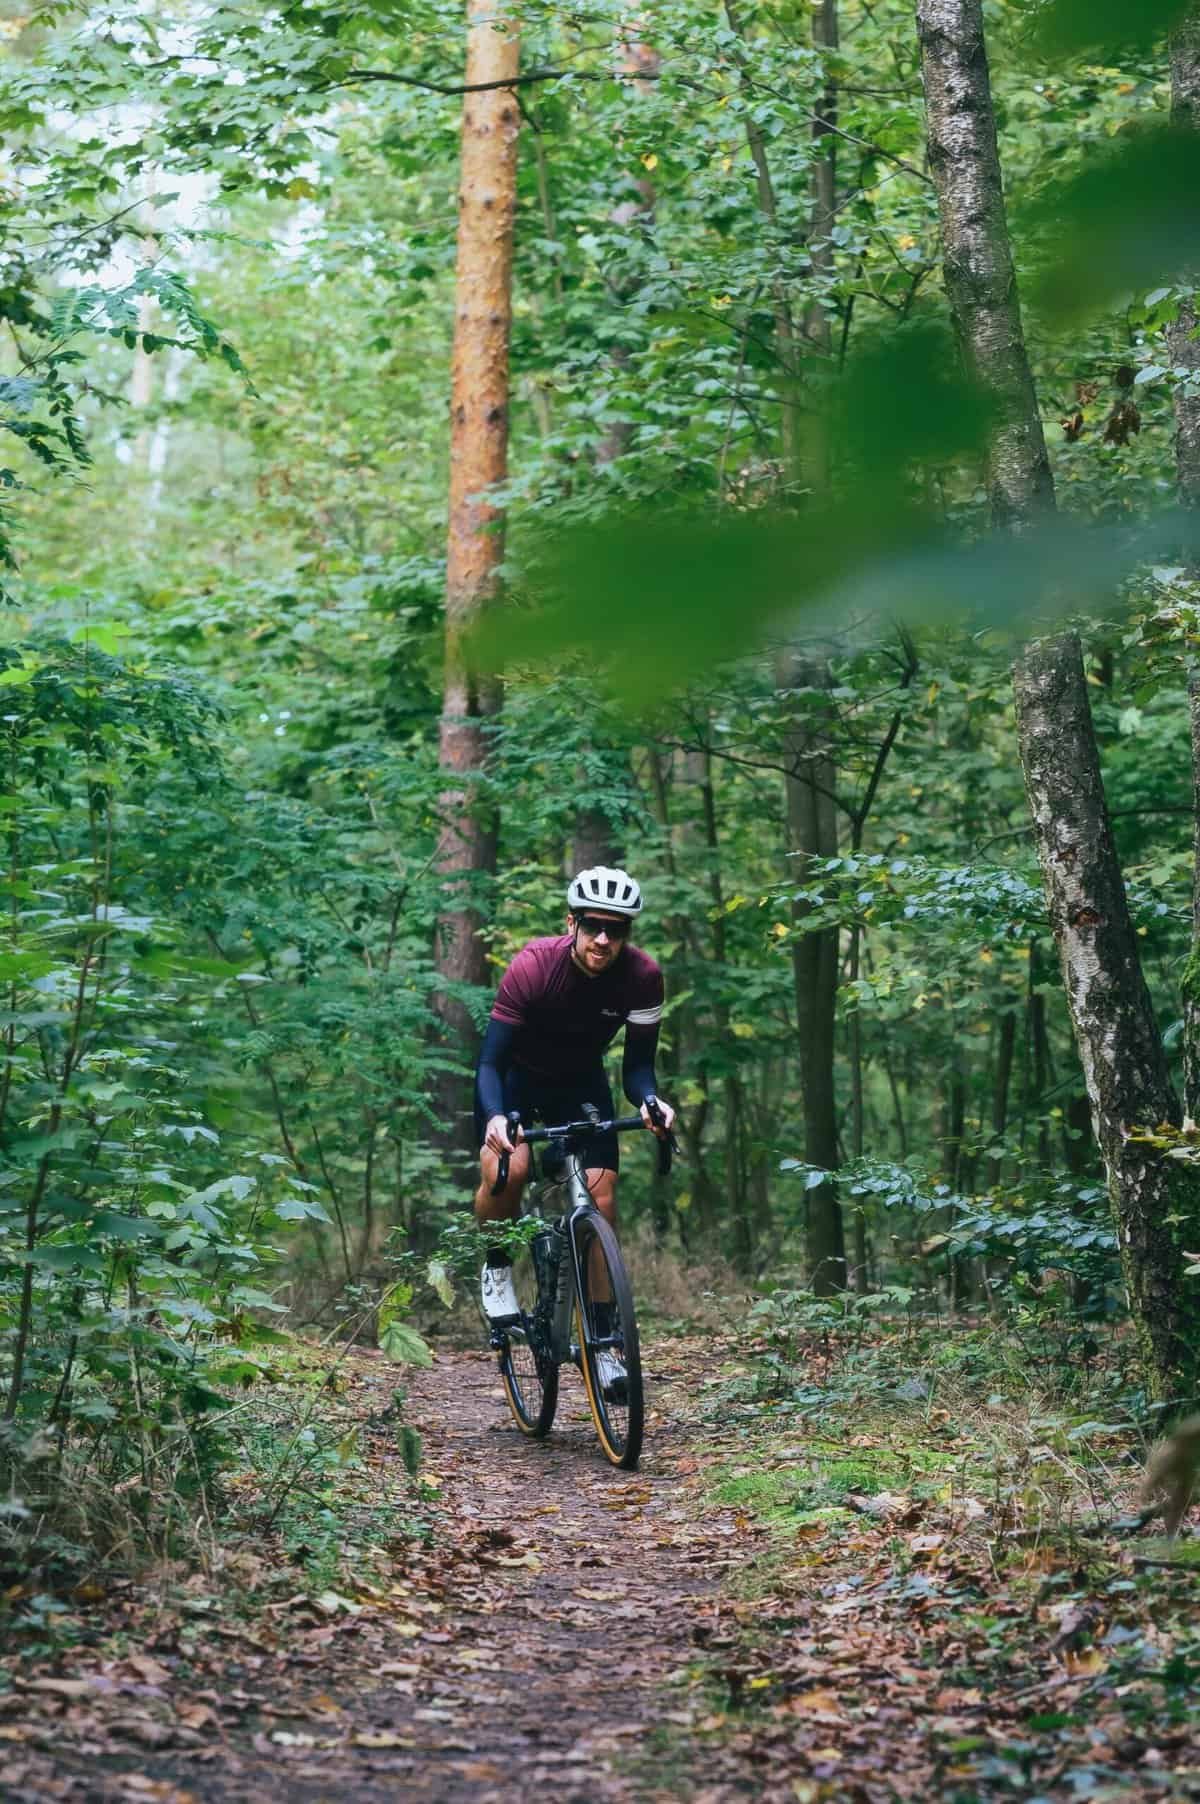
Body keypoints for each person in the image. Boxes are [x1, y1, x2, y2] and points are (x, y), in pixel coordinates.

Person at [474, 865, 676, 1392]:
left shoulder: (643, 977)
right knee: (509, 1169)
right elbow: (490, 1064)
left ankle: (605, 1342)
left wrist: (652, 1101)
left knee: (601, 1199)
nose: (604, 939)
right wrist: (496, 1117)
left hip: (580, 1084)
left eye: (617, 929)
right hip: (517, 1081)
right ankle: (497, 1266)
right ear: (572, 924)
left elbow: (637, 1070)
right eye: (593, 926)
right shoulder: (533, 968)